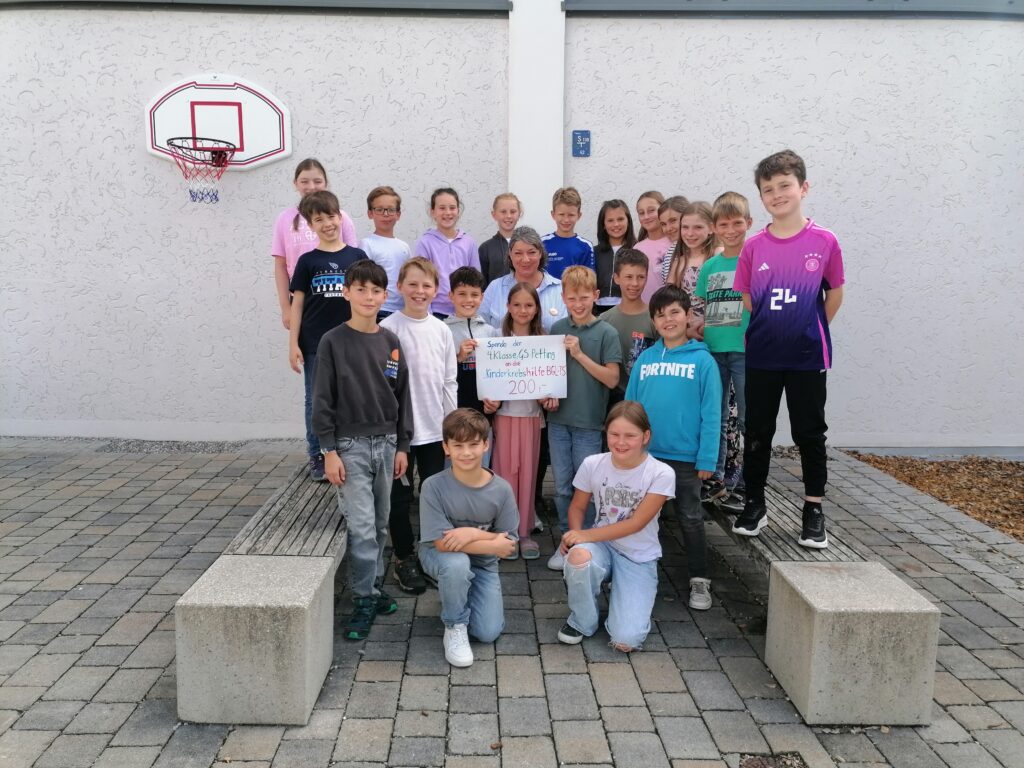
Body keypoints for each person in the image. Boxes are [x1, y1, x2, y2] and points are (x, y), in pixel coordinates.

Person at [731, 150, 845, 550]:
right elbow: (748, 298)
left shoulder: (824, 241)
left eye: (784, 186)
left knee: (809, 432)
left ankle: (813, 510)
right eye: (768, 189)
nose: (777, 194)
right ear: (761, 196)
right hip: (763, 355)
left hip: (807, 357)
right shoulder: (754, 247)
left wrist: (806, 329)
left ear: (803, 188)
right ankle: (755, 503)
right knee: (757, 430)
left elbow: (835, 295)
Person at [312, 259, 411, 641]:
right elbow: (322, 400)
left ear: (385, 296)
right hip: (349, 447)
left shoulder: (390, 342)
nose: (369, 297)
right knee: (363, 527)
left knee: (381, 523)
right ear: (346, 292)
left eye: (376, 290)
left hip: (386, 445)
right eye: (361, 289)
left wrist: (402, 444)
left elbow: (401, 396)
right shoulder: (333, 341)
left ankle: (371, 587)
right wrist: (329, 451)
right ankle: (363, 598)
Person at [625, 285, 721, 610]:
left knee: (690, 517)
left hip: (685, 459)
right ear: (653, 321)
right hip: (647, 457)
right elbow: (630, 407)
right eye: (660, 315)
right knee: (641, 516)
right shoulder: (646, 359)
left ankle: (699, 579)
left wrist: (707, 457)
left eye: (674, 312)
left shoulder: (703, 362)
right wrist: (629, 448)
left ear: (688, 315)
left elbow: (712, 413)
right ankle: (634, 570)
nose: (668, 320)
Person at [556, 401, 675, 651]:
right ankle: (582, 620)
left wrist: (584, 534)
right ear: (606, 433)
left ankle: (624, 595)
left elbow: (636, 523)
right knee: (578, 557)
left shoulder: (661, 473)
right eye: (614, 434)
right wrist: (574, 537)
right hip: (602, 546)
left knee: (626, 641)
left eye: (630, 436)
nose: (621, 442)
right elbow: (577, 507)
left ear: (645, 436)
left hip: (638, 556)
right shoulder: (593, 463)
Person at [381, 258, 459, 593]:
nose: (419, 291)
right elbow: (385, 386)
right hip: (399, 434)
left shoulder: (441, 330)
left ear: (436, 290)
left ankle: (430, 553)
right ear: (399, 286)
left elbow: (449, 381)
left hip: (433, 431)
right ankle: (403, 556)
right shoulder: (389, 329)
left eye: (426, 285)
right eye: (412, 284)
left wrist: (451, 429)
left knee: (432, 495)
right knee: (399, 498)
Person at [419, 409, 519, 667]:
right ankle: (454, 625)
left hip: (483, 564)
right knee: (457, 564)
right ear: (446, 448)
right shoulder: (433, 486)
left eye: (473, 444)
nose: (466, 452)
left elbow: (508, 546)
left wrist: (472, 533)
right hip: (438, 555)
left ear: (486, 444)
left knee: (488, 633)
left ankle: (457, 591)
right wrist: (492, 543)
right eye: (458, 445)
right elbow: (442, 544)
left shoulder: (502, 489)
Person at [288, 191, 368, 481]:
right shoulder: (307, 261)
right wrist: (293, 344)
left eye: (331, 216)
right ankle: (318, 454)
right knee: (315, 399)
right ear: (311, 225)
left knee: (351, 396)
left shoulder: (357, 257)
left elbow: (367, 298)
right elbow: (297, 304)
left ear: (340, 217)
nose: (327, 223)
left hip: (352, 340)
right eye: (319, 219)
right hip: (315, 343)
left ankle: (351, 451)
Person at [546, 266, 622, 571]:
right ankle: (567, 541)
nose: (578, 304)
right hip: (558, 421)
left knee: (586, 488)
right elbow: (546, 373)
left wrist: (579, 354)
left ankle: (587, 543)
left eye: (584, 297)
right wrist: (546, 395)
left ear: (596, 296)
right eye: (572, 298)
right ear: (563, 298)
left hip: (589, 423)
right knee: (562, 486)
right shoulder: (556, 328)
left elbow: (612, 379)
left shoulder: (606, 332)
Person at [484, 282, 550, 560]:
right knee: (504, 475)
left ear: (536, 308)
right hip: (504, 416)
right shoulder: (497, 338)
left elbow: (551, 378)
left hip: (532, 417)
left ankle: (524, 532)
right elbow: (487, 377)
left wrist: (550, 395)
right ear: (508, 307)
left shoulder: (544, 340)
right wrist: (488, 400)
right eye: (517, 304)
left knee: (528, 475)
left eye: (529, 305)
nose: (523, 310)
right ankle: (506, 532)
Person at [696, 191, 753, 510]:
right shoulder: (710, 267)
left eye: (737, 223)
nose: (730, 230)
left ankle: (746, 483)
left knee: (748, 418)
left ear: (749, 223)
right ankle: (715, 478)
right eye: (723, 224)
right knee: (714, 415)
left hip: (746, 351)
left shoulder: (755, 260)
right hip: (713, 351)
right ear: (714, 228)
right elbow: (704, 308)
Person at [272, 158, 357, 330]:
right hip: (302, 297)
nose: (311, 187)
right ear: (295, 183)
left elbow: (354, 263)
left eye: (317, 181)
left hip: (339, 294)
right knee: (309, 344)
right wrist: (286, 308)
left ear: (326, 183)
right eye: (304, 181)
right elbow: (280, 266)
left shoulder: (340, 217)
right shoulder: (285, 219)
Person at [600, 248, 657, 411]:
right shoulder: (603, 320)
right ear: (616, 278)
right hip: (613, 402)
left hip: (647, 397)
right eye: (628, 277)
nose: (635, 284)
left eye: (641, 277)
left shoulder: (656, 319)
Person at [480, 226, 566, 332]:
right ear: (510, 254)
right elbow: (479, 327)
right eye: (518, 253)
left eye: (531, 252)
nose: (525, 259)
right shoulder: (495, 288)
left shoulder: (560, 289)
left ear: (540, 253)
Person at [415, 188, 480, 318]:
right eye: (442, 208)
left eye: (452, 208)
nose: (448, 212)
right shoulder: (425, 243)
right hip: (436, 313)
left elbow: (476, 280)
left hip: (463, 311)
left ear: (458, 211)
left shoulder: (469, 242)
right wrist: (427, 313)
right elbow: (421, 279)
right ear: (433, 212)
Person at [360, 185, 410, 321]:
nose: (385, 214)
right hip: (378, 309)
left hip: (402, 311)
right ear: (370, 213)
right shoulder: (367, 244)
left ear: (398, 214)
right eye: (379, 209)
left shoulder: (404, 247)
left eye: (391, 210)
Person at [594, 199, 638, 314]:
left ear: (628, 221)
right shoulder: (594, 252)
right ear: (603, 224)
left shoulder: (637, 249)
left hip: (628, 307)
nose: (616, 224)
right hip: (598, 309)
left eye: (620, 219)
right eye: (610, 220)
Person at [543, 187, 595, 279]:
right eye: (561, 214)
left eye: (571, 215)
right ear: (553, 214)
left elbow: (589, 281)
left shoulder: (585, 246)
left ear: (579, 215)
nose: (566, 220)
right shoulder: (542, 243)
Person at [633, 191, 671, 304]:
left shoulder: (675, 244)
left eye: (651, 210)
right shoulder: (637, 248)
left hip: (669, 309)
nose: (646, 217)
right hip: (644, 311)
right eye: (641, 213)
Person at [478, 193, 522, 287]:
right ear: (494, 215)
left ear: (519, 213)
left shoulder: (527, 244)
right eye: (503, 212)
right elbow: (482, 283)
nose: (508, 216)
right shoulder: (485, 248)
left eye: (513, 211)